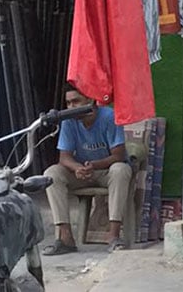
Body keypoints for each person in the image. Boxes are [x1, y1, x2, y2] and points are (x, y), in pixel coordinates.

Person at [42, 85, 132, 255]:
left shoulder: (108, 116)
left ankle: (113, 237)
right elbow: (64, 157)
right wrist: (77, 167)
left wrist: (94, 166)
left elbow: (118, 155)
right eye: (68, 103)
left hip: (106, 171)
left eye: (76, 101)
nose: (71, 107)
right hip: (81, 172)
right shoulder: (68, 121)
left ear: (90, 100)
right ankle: (65, 238)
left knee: (121, 170)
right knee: (51, 174)